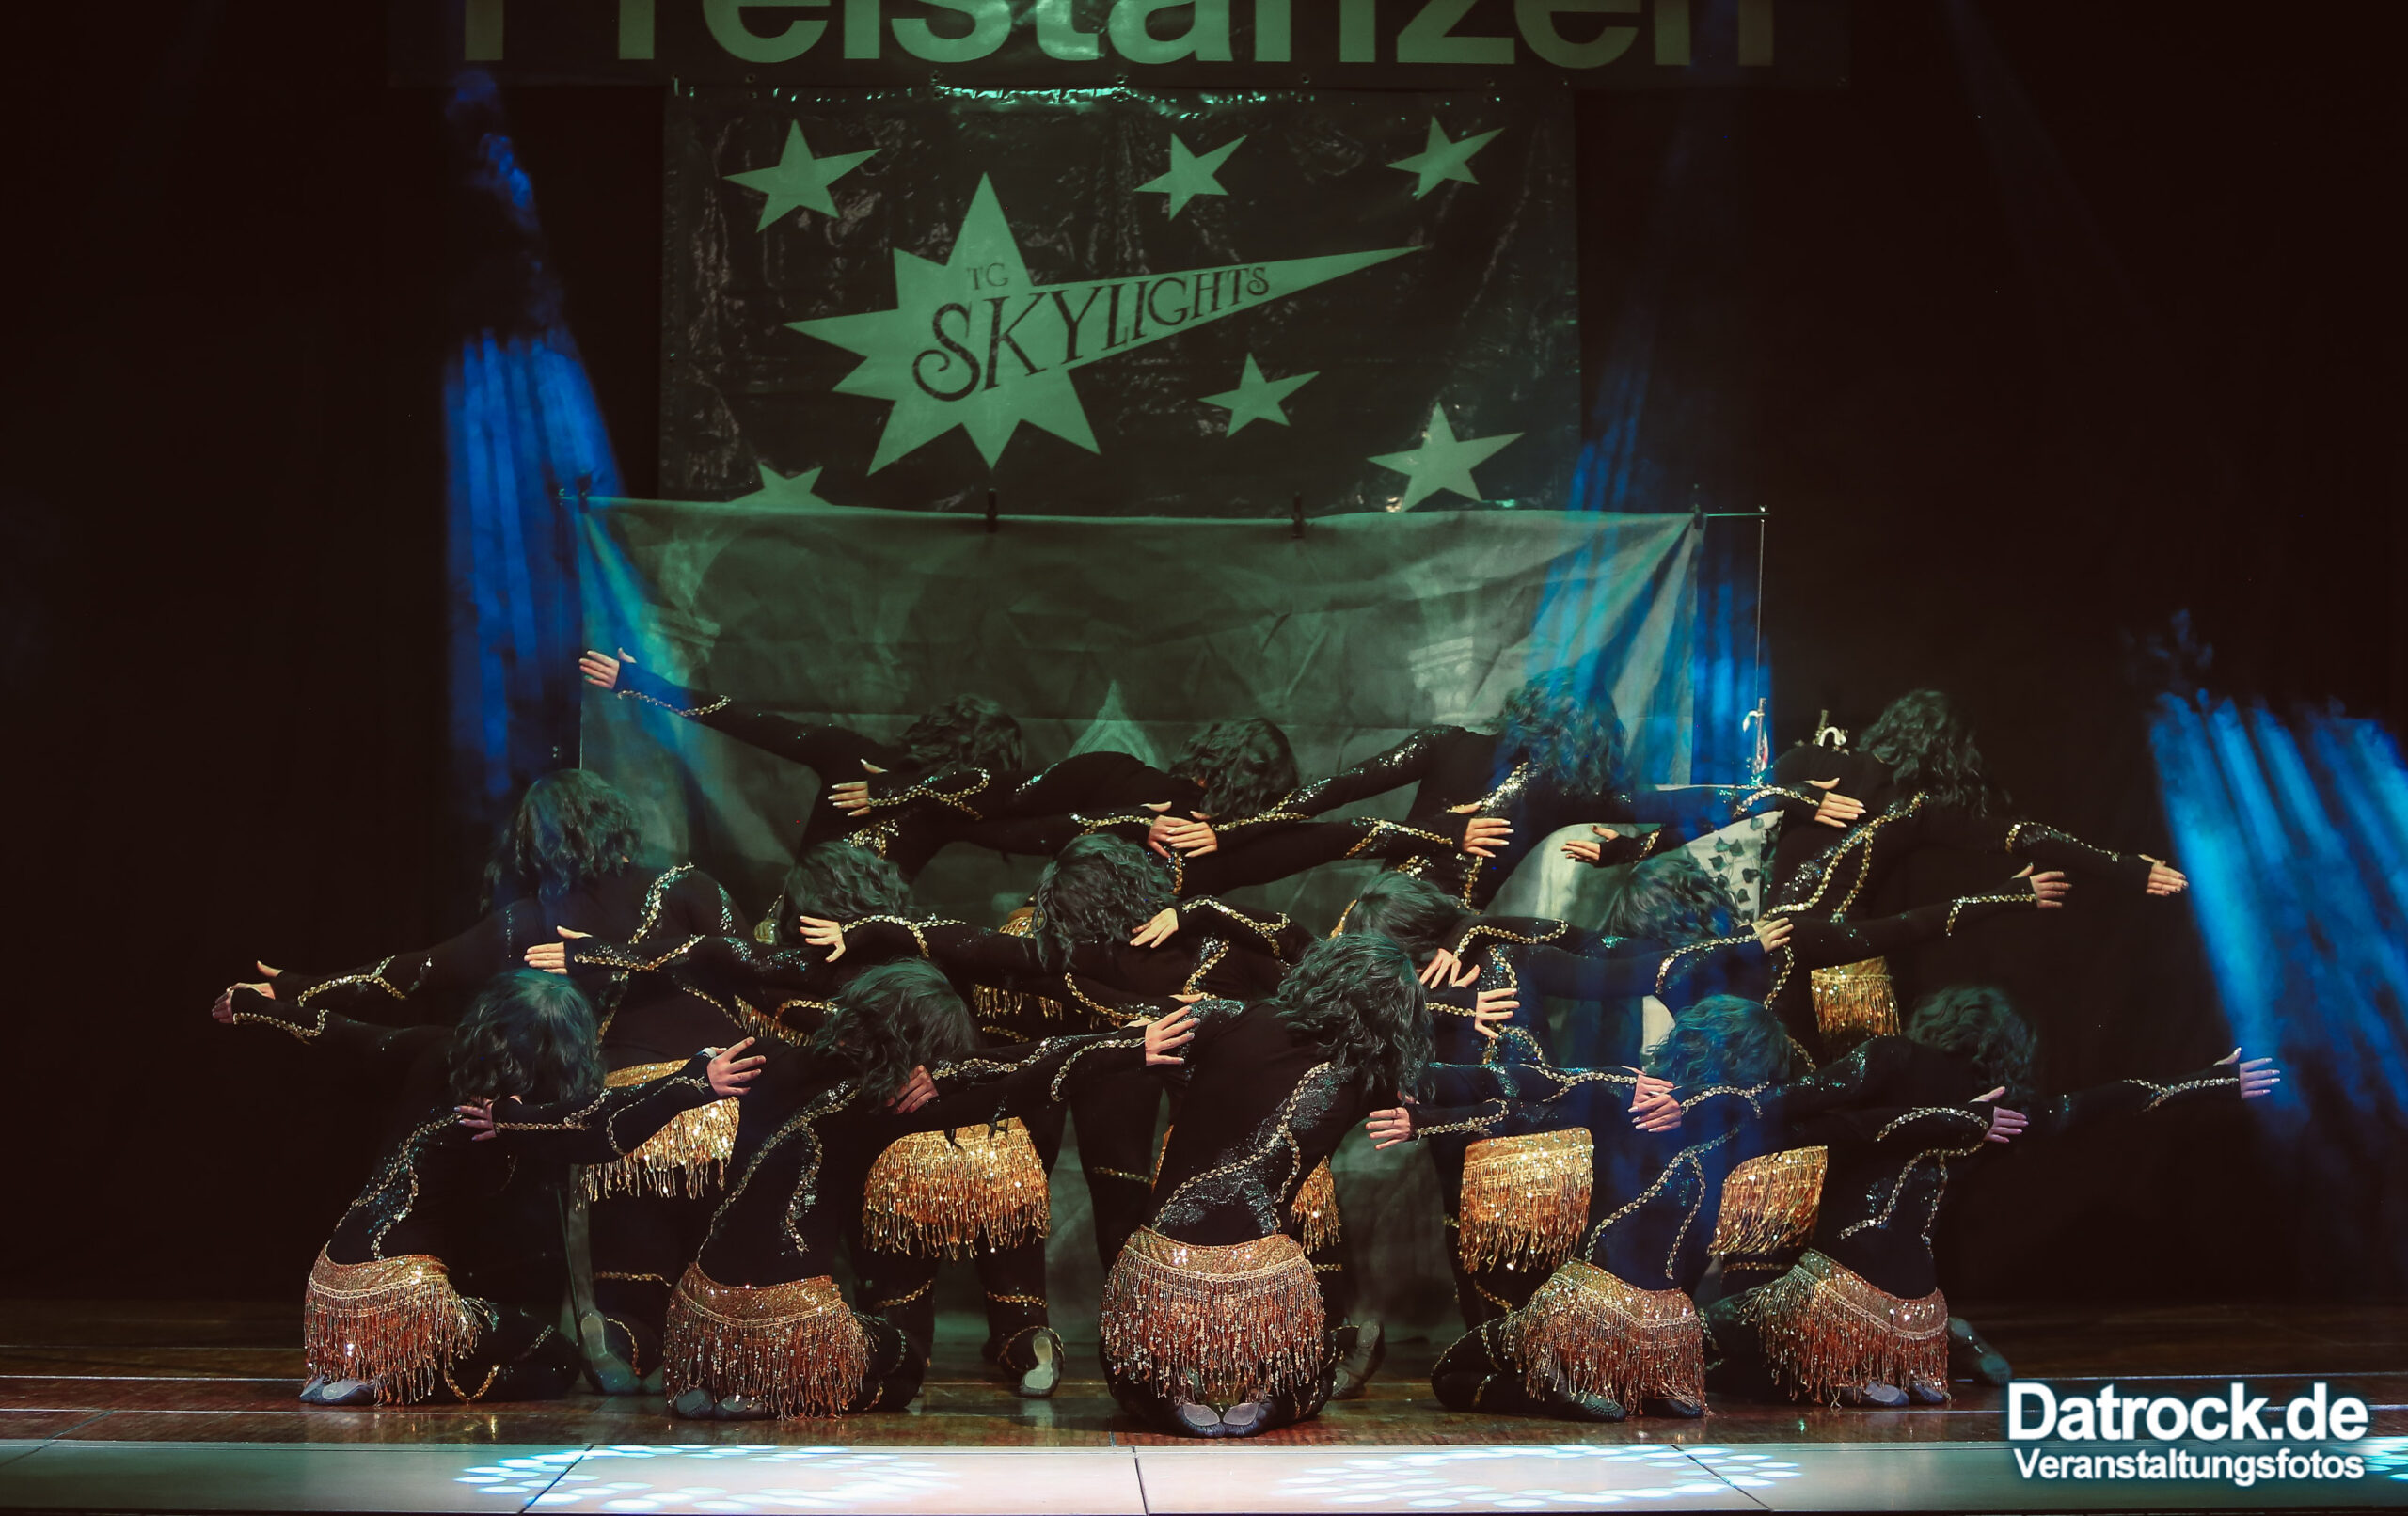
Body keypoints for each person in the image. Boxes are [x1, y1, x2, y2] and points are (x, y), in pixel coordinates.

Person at [230, 770, 754, 1386]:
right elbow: (755, 967)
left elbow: (412, 972)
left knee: (635, 1286)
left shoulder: (530, 922)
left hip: (623, 1126)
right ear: (618, 823)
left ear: (533, 842)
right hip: (725, 1101)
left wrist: (293, 990)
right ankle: (728, 1371)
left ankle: (625, 1342)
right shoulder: (687, 885)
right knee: (731, 1264)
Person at [531, 842, 1068, 1397]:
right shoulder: (932, 955)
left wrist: (606, 953)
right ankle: (1027, 1338)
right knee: (1013, 1290)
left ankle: (683, 1346)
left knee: (897, 1303)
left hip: (903, 1153)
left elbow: (715, 953)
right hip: (998, 1148)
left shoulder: (808, 981)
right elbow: (1034, 1017)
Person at [626, 959, 1190, 1419]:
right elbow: (1024, 1077)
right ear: (923, 1053)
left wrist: (696, 1077)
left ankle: (717, 1383)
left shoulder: (765, 1059)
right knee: (903, 1362)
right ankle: (775, 1392)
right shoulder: (887, 1106)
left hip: (700, 1314)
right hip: (791, 1324)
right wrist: (1126, 1047)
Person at [1701, 987, 2278, 1407]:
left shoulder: (1891, 1057)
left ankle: (1840, 1373)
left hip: (1840, 1291)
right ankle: (1903, 1365)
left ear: (1935, 1022)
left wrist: (1698, 1107)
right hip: (1920, 1308)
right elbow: (2103, 1101)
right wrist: (2204, 1081)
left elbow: (1791, 1103)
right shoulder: (2005, 1115)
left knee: (1713, 1329)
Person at [211, 970, 763, 1405]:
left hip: (328, 1287)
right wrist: (692, 1082)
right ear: (563, 1050)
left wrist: (256, 1007)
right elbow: (604, 1123)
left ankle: (358, 1368)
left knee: (489, 1325)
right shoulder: (510, 1118)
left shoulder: (436, 1051)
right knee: (555, 1361)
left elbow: (343, 1033)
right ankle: (392, 1382)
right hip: (406, 1298)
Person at [1369, 995, 1802, 1421]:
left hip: (1588, 1312)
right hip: (1667, 1329)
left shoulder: (1636, 1092)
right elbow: (1800, 1097)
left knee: (1449, 1373)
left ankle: (1549, 1396)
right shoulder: (1749, 1121)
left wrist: (1427, 1112)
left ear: (1687, 1041)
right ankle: (1641, 1387)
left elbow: (1525, 1097)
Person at [1091, 934, 1450, 1439]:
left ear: (1321, 972)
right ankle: (1268, 1398)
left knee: (1129, 1379)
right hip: (1263, 1286)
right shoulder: (1373, 1075)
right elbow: (1466, 1083)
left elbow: (1117, 1025)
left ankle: (1171, 1394)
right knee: (1311, 1385)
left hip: (1163, 1273)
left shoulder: (1231, 1017)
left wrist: (1136, 1029)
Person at [1186, 666, 1864, 912]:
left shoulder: (1449, 743)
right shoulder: (1569, 789)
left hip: (1379, 921)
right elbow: (1692, 803)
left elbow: (1335, 789)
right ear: (1594, 736)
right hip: (1434, 942)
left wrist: (1234, 830)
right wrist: (1786, 794)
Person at [1742, 690, 2188, 1052]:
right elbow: (2028, 835)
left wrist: (1791, 794)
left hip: (1773, 950)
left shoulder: (1811, 766)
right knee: (1847, 1101)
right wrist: (2124, 867)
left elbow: (1735, 803)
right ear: (1948, 752)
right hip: (1846, 972)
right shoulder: (1916, 807)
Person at [580, 647, 1022, 867]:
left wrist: (643, 683)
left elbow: (746, 719)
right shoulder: (949, 808)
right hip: (848, 945)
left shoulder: (938, 803)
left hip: (824, 936)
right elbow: (752, 723)